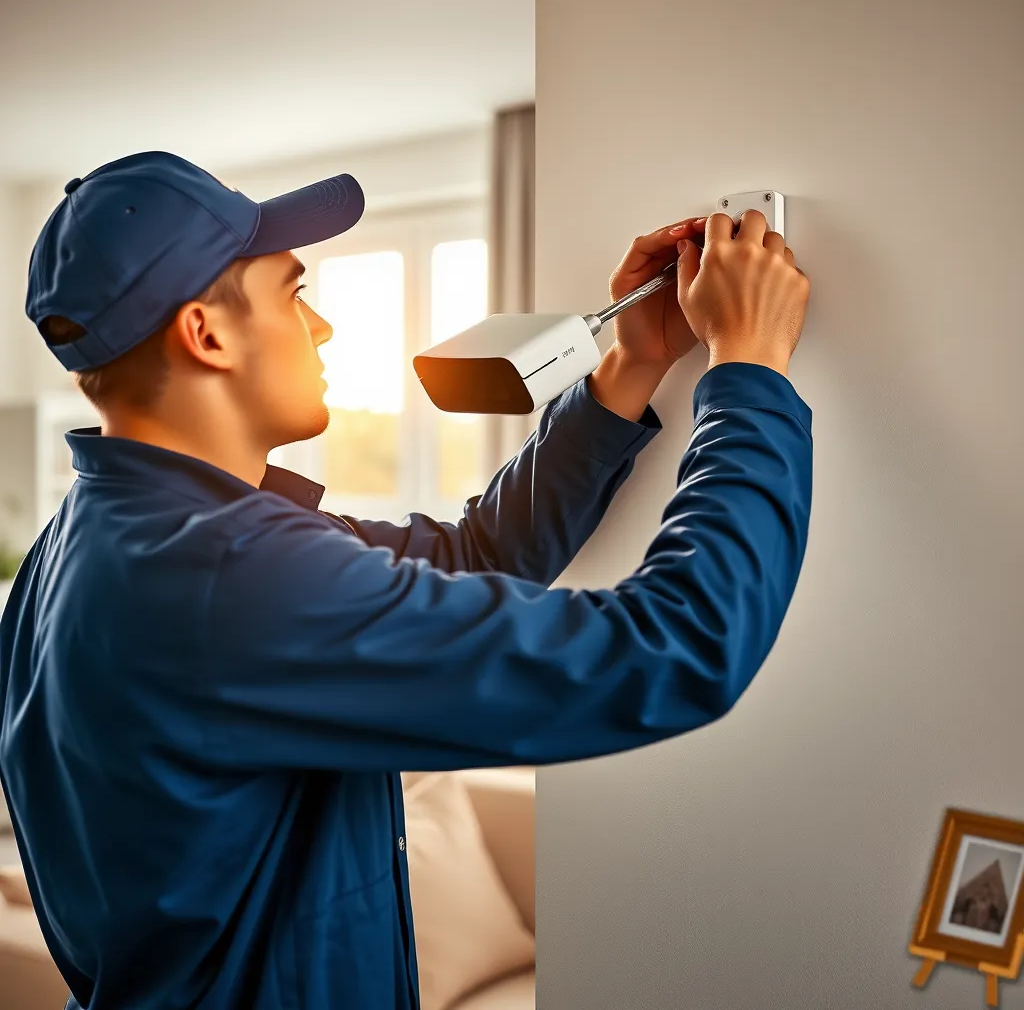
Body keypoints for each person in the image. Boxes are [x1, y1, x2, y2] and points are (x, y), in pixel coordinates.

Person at [0, 150, 812, 1009]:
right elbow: (675, 648)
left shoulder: (82, 549)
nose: (321, 328)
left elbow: (471, 557)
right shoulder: (233, 575)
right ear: (207, 333)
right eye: (293, 293)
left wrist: (632, 362)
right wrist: (749, 370)